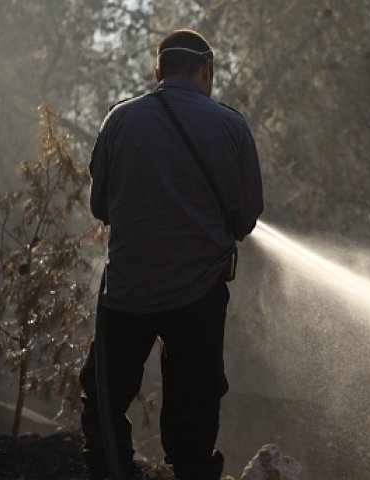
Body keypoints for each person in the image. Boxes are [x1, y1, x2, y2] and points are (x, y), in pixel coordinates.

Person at [80, 29, 263, 480]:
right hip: (198, 293)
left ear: (158, 70)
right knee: (195, 396)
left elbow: (100, 204)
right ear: (207, 71)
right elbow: (246, 218)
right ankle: (193, 471)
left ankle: (112, 468)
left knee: (106, 389)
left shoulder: (119, 120)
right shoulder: (231, 126)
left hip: (128, 288)